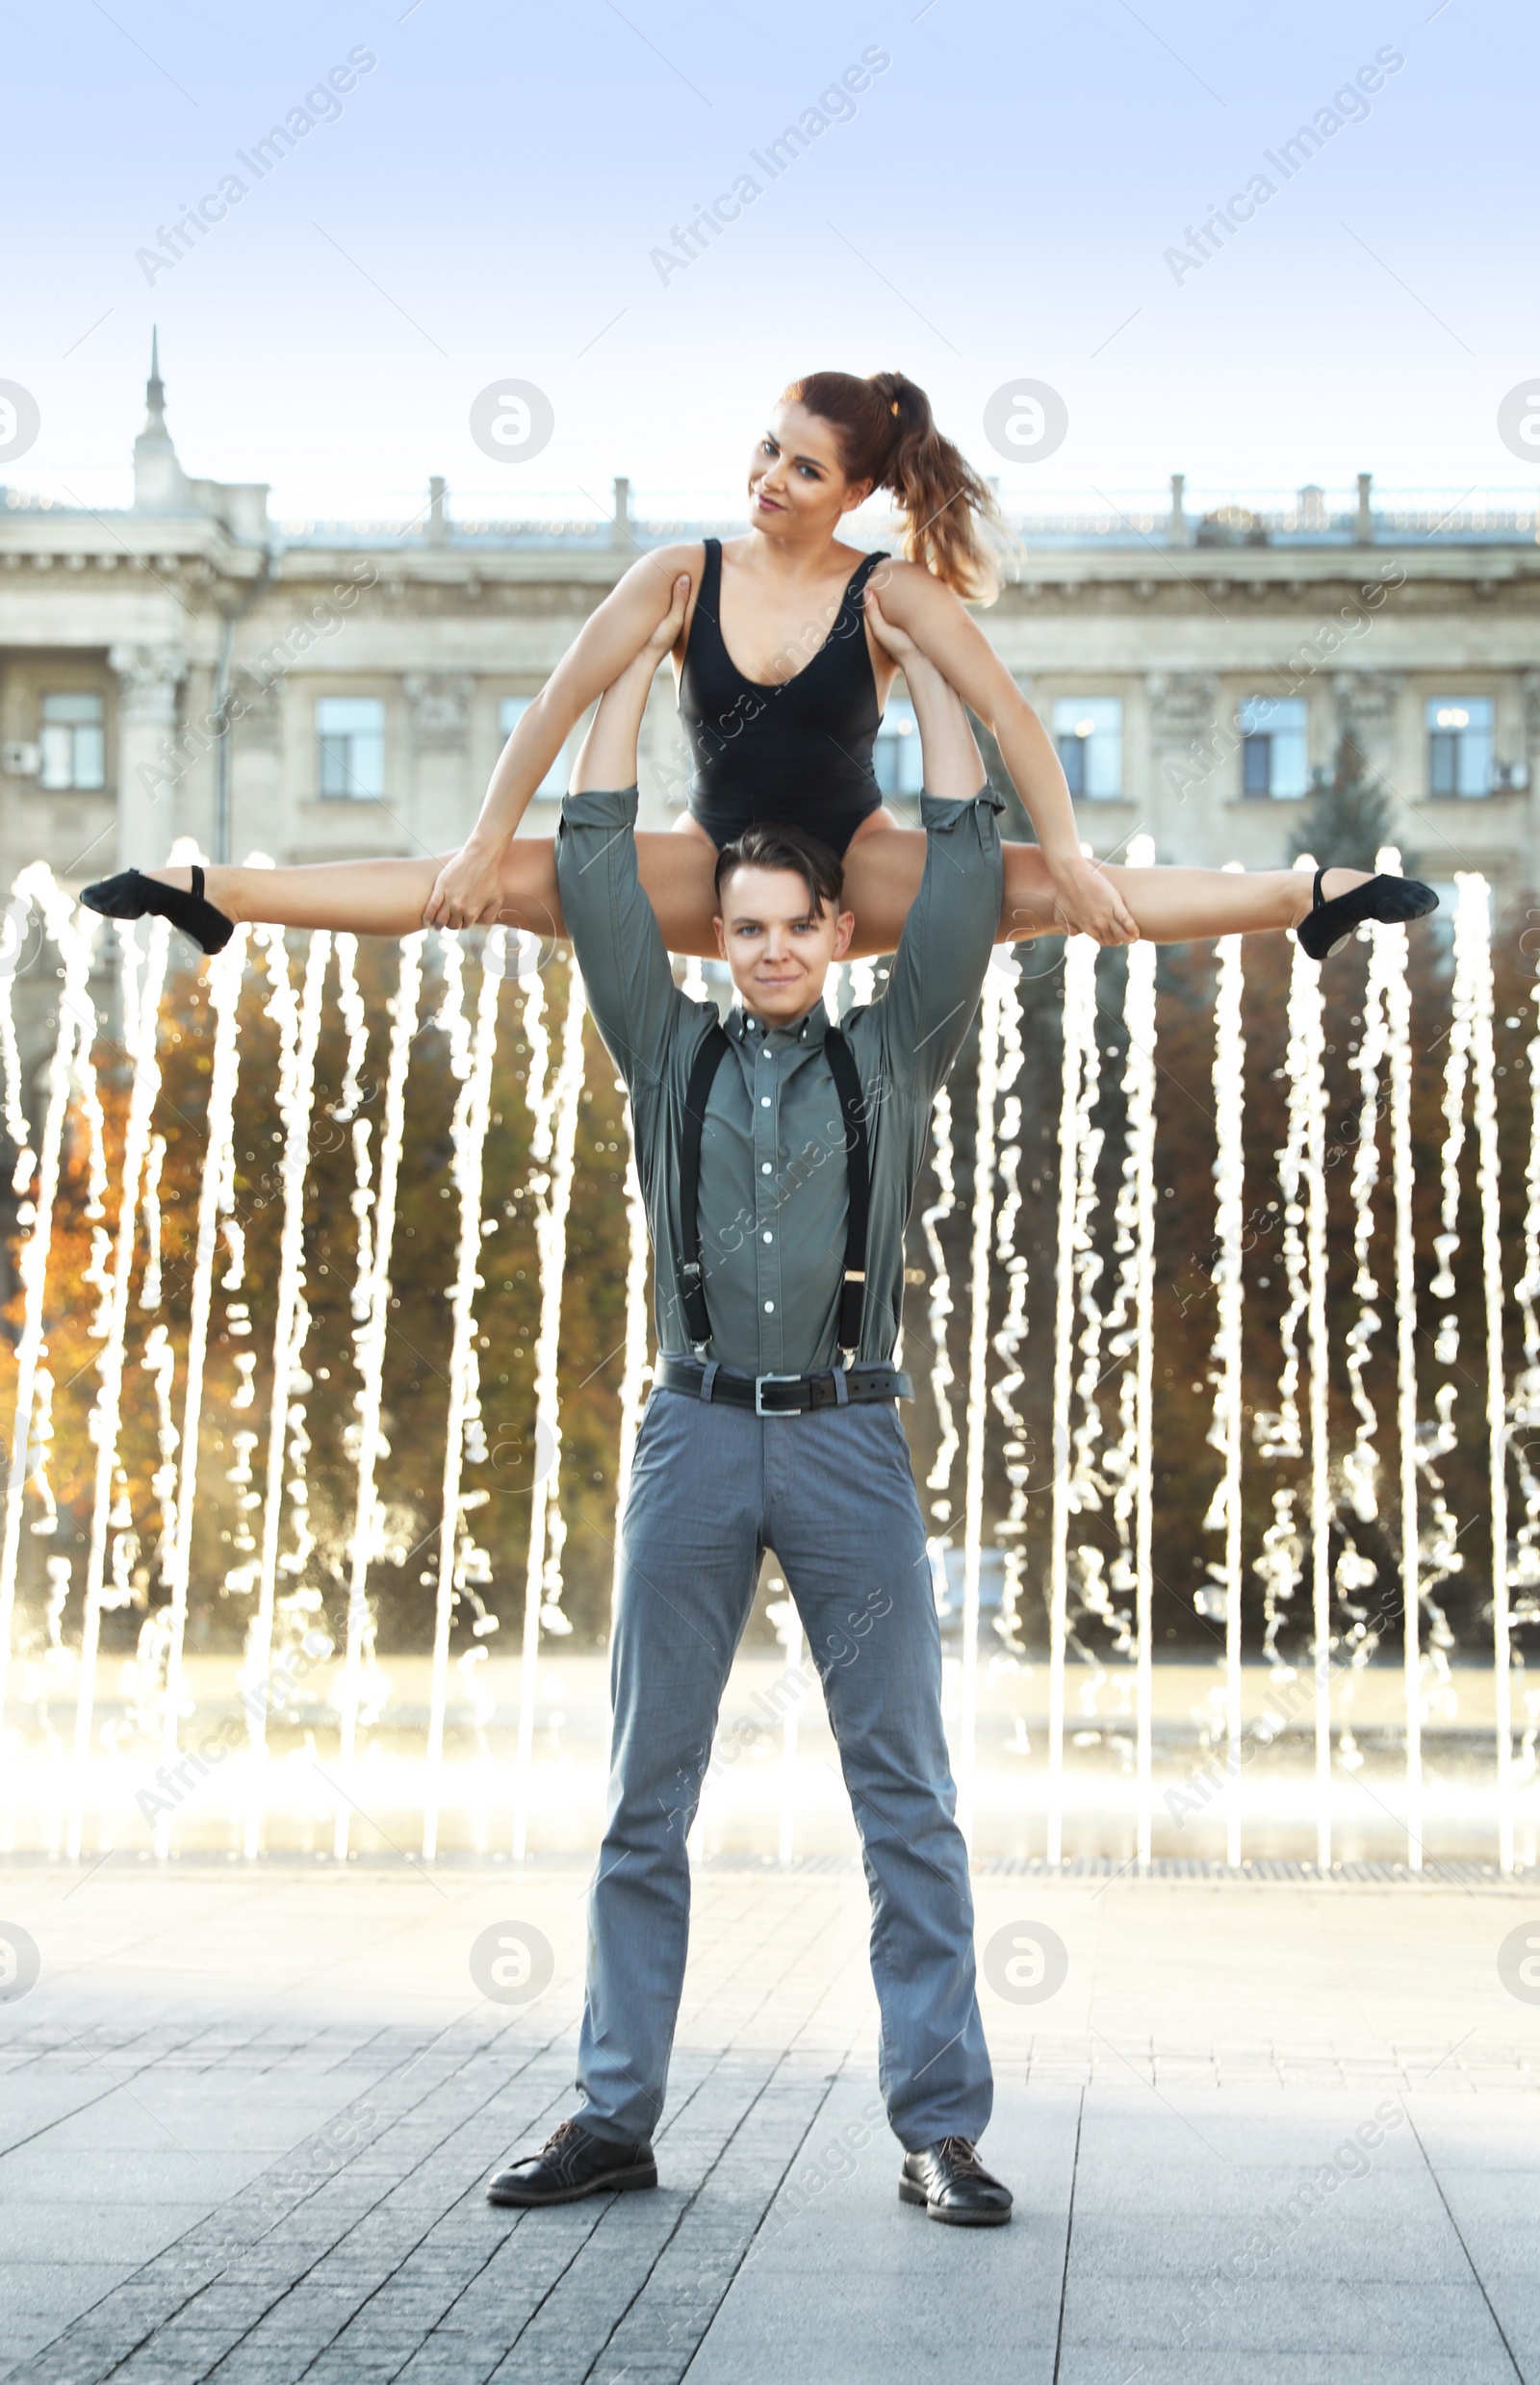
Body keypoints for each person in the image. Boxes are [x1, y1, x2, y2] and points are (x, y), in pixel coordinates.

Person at [483, 577, 1011, 2225]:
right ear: (720, 937)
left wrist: (924, 669)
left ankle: (939, 2127)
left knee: (904, 1796)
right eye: (749, 925)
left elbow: (974, 856)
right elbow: (587, 853)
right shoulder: (668, 1042)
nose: (776, 947)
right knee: (648, 1795)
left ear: (841, 935)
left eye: (802, 924)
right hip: (694, 1434)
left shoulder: (897, 1045)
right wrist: (633, 674)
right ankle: (612, 2113)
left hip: (854, 1436)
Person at [82, 369, 1436, 965]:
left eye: (803, 466)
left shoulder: (887, 591)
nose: (769, 478)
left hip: (860, 861)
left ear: (853, 492)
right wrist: (487, 837)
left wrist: (1070, 847)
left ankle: (1310, 891)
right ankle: (213, 890)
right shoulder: (682, 574)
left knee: (1045, 898)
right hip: (713, 856)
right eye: (766, 449)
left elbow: (1013, 712)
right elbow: (558, 702)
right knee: (483, 887)